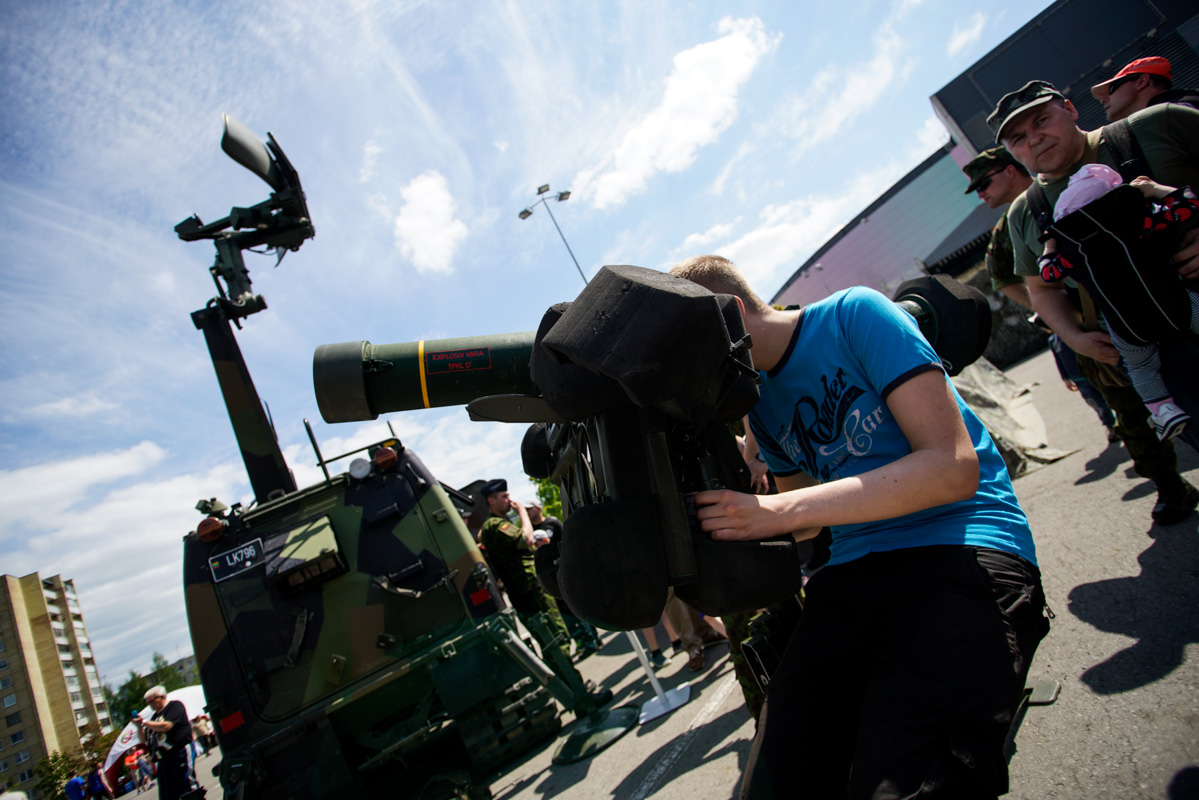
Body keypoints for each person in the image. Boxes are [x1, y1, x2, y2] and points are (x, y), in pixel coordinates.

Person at [669, 255, 1049, 799]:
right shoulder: (761, 405)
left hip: (961, 548)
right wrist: (720, 524)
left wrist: (778, 512)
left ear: (728, 313)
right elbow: (806, 516)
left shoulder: (854, 314)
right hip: (851, 578)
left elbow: (951, 467)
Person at [993, 78, 1199, 520]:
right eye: (1018, 138)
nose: (1034, 139)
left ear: (1070, 108)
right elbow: (1042, 289)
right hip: (1143, 346)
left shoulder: (1159, 127)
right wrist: (1074, 337)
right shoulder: (1026, 212)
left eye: (1041, 120)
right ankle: (1167, 482)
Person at [1037, 166, 1199, 440]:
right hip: (1176, 304)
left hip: (1127, 327)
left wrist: (1051, 242)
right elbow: (1187, 203)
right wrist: (1153, 189)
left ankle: (1163, 410)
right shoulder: (1141, 221)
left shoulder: (1074, 252)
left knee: (1140, 366)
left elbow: (1047, 273)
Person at [477, 479, 609, 706]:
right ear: (491, 500)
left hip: (530, 594)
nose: (509, 501)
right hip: (531, 596)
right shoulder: (495, 525)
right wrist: (522, 514)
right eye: (504, 497)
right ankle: (583, 702)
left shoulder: (495, 525)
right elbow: (527, 539)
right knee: (557, 644)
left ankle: (578, 695)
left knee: (556, 644)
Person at [526, 500, 603, 660]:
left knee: (577, 606)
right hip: (550, 579)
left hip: (566, 572)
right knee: (566, 613)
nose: (527, 512)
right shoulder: (530, 530)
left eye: (529, 509)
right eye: (525, 510)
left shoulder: (552, 523)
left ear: (538, 508)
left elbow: (569, 542)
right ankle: (583, 642)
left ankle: (592, 639)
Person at [1091, 56, 1199, 122]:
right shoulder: (1183, 107)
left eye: (1111, 89)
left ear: (1142, 82)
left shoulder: (1170, 117)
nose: (1103, 100)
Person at [134, 685, 194, 800]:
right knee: (168, 793)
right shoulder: (154, 717)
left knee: (186, 785)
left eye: (152, 701)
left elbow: (167, 726)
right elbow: (143, 740)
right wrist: (139, 726)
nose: (150, 705)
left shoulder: (175, 706)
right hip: (163, 758)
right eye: (148, 703)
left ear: (162, 697)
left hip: (179, 751)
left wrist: (145, 722)